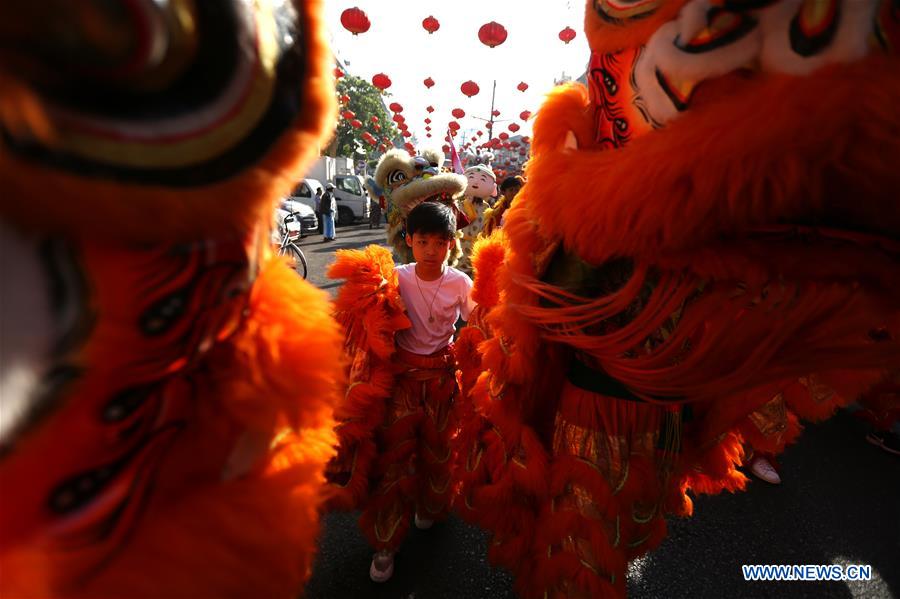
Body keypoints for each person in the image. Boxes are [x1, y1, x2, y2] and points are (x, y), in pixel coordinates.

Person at [325, 201, 476, 583]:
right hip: (402, 382)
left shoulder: (460, 282)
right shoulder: (394, 278)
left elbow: (479, 321)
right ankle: (385, 542)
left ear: (451, 243)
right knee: (394, 462)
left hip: (442, 380)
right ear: (408, 240)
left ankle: (430, 504)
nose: (431, 250)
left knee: (439, 450)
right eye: (422, 241)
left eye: (439, 242)